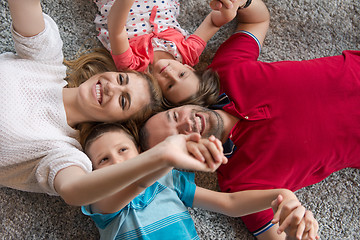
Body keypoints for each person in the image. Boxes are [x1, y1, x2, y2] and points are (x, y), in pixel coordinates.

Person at [138, 0, 360, 239]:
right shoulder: (242, 182)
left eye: (173, 116)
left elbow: (256, 19)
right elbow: (277, 234)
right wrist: (297, 232)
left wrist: (243, 2)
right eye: (178, 138)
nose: (186, 124)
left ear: (178, 105)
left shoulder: (224, 70)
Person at [0, 0, 191, 209]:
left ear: (115, 122)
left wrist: (157, 160)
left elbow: (75, 191)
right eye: (121, 80)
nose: (113, 89)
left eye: (123, 100)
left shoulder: (61, 150)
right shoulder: (46, 58)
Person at [81, 123, 319, 240]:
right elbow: (137, 184)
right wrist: (165, 158)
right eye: (103, 160)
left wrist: (279, 196)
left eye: (123, 150)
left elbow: (230, 203)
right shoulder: (99, 201)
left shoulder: (168, 180)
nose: (117, 161)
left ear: (141, 152)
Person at [93, 0, 245, 106]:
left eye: (170, 86)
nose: (170, 74)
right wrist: (226, 15)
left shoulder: (134, 69)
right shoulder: (187, 53)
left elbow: (116, 30)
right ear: (189, 69)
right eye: (181, 75)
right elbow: (213, 21)